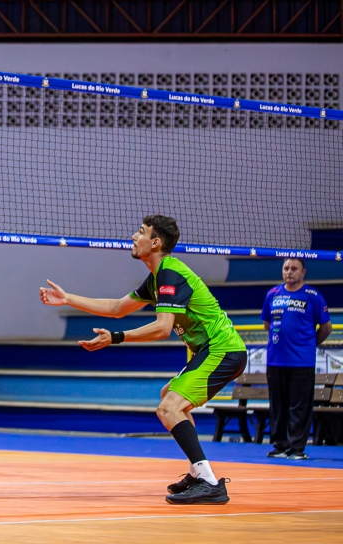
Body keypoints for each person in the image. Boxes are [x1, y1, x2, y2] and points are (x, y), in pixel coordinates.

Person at [39, 215, 246, 505]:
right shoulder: (158, 277)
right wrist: (67, 299)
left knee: (168, 408)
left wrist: (116, 338)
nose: (134, 237)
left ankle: (209, 482)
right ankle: (197, 473)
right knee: (168, 397)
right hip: (213, 350)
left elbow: (162, 329)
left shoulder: (170, 274)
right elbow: (117, 307)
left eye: (141, 232)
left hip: (222, 349)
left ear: (156, 242)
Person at [263, 257, 332, 460]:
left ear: (303, 272)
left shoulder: (313, 296)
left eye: (294, 268)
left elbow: (326, 328)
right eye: (286, 268)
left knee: (300, 406)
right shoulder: (272, 294)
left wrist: (308, 345)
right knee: (278, 405)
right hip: (275, 360)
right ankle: (279, 445)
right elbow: (267, 324)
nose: (289, 271)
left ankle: (296, 448)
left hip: (302, 362)